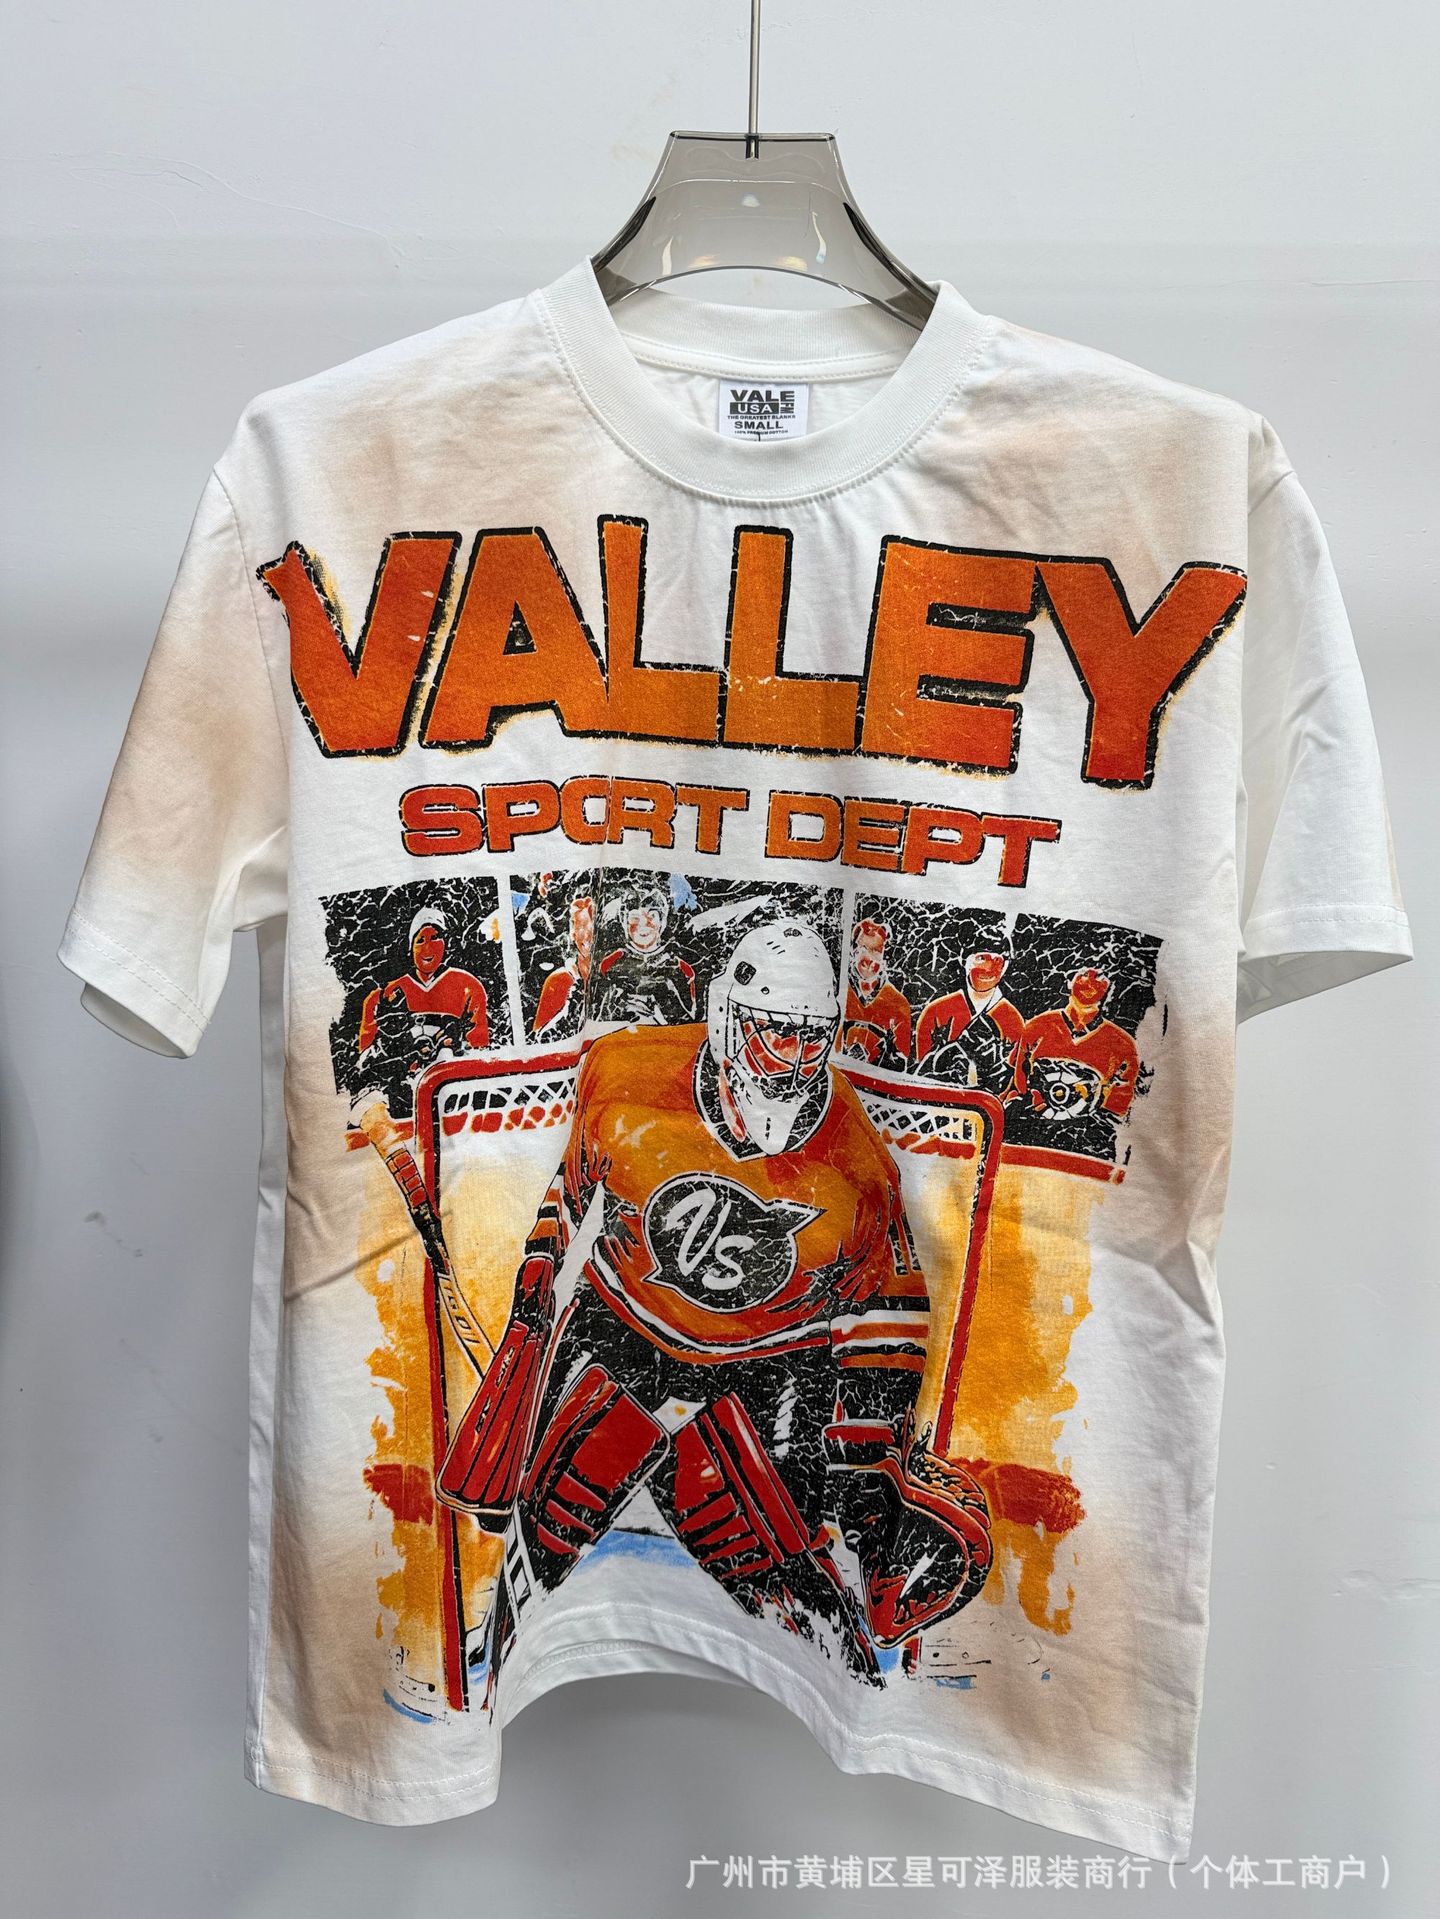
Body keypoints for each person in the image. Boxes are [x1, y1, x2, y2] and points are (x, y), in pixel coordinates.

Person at [438, 918, 991, 1698]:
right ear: (730, 1018)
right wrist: (537, 1277)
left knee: (786, 1572)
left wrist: (871, 1463)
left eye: (812, 1037)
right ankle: (509, 1654)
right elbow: (571, 1187)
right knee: (545, 1526)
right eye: (777, 1033)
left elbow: (888, 1312)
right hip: (623, 1321)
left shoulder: (859, 1163)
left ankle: (832, 1664)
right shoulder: (624, 1071)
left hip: (773, 1358)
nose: (795, 1060)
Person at [1015, 964, 1139, 1123]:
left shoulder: (1122, 1043)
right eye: (1084, 975)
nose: (1090, 983)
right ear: (1069, 982)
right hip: (1034, 1120)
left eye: (1099, 978)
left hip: (1087, 1128)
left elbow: (1120, 1103)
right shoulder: (1038, 1026)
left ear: (1108, 990)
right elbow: (1018, 1074)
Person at [914, 936, 1023, 1095]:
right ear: (966, 962)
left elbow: (1013, 1076)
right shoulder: (936, 1011)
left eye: (997, 961)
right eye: (982, 959)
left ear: (1005, 967)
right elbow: (921, 1069)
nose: (988, 969)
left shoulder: (1012, 1019)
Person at [593, 878, 697, 1024]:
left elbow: (690, 1023)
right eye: (635, 917)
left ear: (662, 922)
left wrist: (662, 1007)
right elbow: (597, 1018)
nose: (643, 923)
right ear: (625, 922)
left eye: (652, 916)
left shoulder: (680, 968)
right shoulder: (610, 964)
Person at [841, 917, 912, 1068]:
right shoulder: (839, 991)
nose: (869, 960)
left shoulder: (898, 1004)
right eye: (863, 949)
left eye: (876, 951)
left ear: (884, 956)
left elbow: (901, 1060)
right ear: (853, 951)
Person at [533, 891, 596, 1039]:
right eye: (582, 927)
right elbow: (540, 1040)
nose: (588, 935)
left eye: (592, 928)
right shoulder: (560, 980)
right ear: (573, 934)